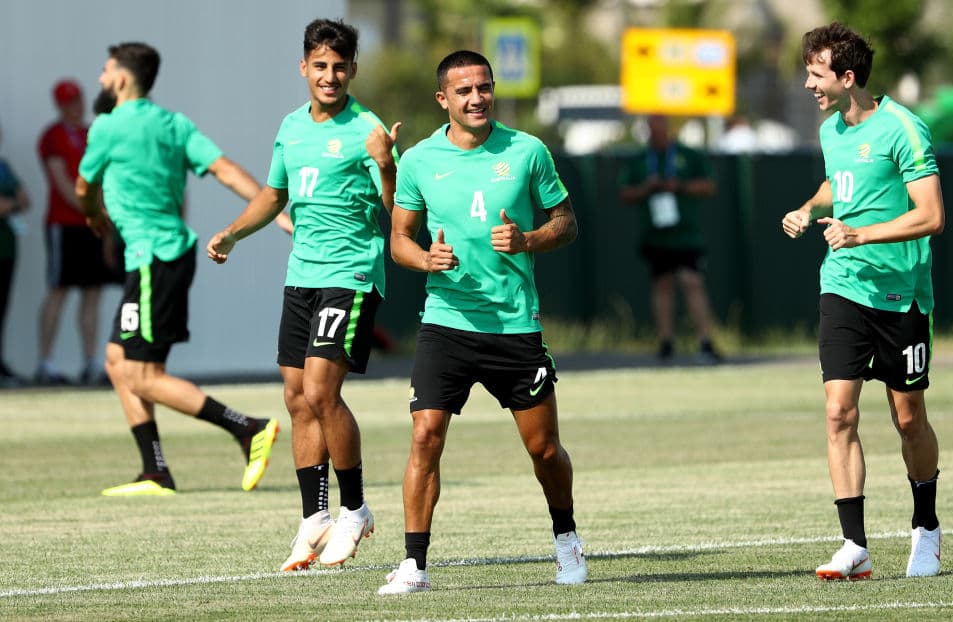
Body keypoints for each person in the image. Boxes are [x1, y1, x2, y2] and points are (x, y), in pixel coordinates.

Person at [378, 50, 585, 595]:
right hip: (446, 321)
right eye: (464, 90)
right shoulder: (420, 161)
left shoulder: (527, 151)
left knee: (543, 450)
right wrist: (426, 259)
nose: (477, 98)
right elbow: (398, 238)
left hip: (515, 325)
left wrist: (529, 239)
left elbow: (565, 222)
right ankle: (415, 566)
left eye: (484, 88)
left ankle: (566, 540)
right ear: (442, 99)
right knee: (425, 436)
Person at [206, 18, 399, 572]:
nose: (330, 76)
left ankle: (355, 508)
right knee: (295, 397)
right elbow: (274, 195)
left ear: (353, 70)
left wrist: (386, 166)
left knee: (320, 391)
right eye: (320, 66)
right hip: (303, 276)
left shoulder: (368, 127)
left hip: (352, 274)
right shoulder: (291, 127)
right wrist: (234, 233)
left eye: (340, 67)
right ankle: (315, 516)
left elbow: (397, 210)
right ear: (304, 68)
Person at [76, 42, 279, 496]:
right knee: (117, 360)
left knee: (142, 375)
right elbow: (224, 169)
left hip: (154, 258)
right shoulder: (173, 124)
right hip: (161, 257)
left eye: (106, 71)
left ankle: (247, 428)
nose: (101, 80)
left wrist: (92, 214)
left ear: (123, 79)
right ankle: (155, 472)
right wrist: (273, 210)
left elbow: (83, 185)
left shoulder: (107, 127)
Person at [781, 22, 945, 580]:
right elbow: (838, 184)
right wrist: (808, 208)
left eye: (816, 73)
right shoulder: (832, 130)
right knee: (837, 412)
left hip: (901, 298)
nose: (808, 84)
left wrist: (860, 234)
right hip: (843, 286)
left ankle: (926, 528)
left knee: (908, 418)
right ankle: (855, 545)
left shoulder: (904, 128)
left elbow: (931, 215)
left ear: (848, 78)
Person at [37, 79, 123, 386]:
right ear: (59, 105)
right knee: (59, 290)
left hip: (93, 224)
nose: (74, 107)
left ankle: (90, 362)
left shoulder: (91, 133)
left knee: (93, 293)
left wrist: (103, 214)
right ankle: (45, 363)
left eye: (77, 100)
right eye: (68, 102)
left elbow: (102, 177)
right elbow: (62, 182)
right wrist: (91, 208)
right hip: (64, 223)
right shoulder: (52, 136)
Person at [620, 114, 723, 364]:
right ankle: (666, 342)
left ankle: (705, 341)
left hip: (686, 234)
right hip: (656, 235)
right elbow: (625, 192)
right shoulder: (641, 160)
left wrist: (681, 186)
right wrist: (647, 187)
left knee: (692, 281)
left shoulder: (688, 155)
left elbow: (709, 185)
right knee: (662, 284)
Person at [0, 123, 31, 387]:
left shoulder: (4, 167)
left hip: (6, 247)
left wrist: (10, 204)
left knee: (2, 307)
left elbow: (24, 199)